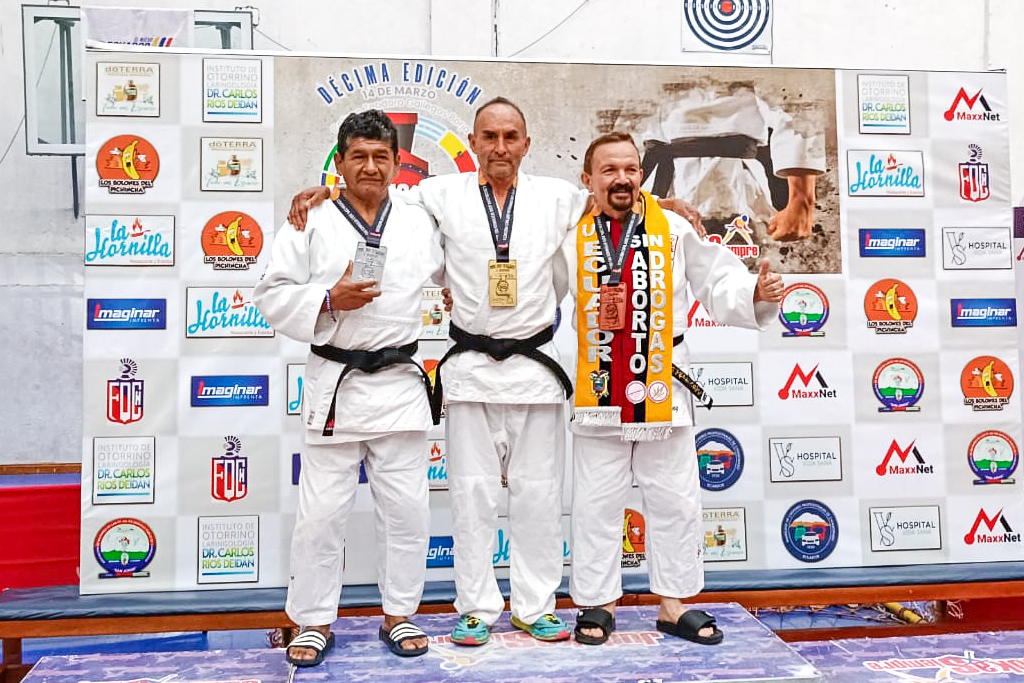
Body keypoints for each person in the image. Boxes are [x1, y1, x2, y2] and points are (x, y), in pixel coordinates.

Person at [288, 98, 583, 645]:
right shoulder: (437, 195)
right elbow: (367, 196)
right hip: (457, 371)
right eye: (489, 136)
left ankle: (529, 605)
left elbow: (615, 201)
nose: (499, 147)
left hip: (530, 371)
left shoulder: (558, 196)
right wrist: (323, 195)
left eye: (510, 136)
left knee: (534, 497)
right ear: (472, 143)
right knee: (465, 497)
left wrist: (665, 205)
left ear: (527, 143)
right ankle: (469, 607)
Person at [558, 132, 783, 646]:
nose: (621, 179)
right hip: (599, 385)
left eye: (630, 169)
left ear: (642, 174)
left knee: (676, 500)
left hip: (662, 381)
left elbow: (716, 280)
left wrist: (752, 290)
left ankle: (673, 605)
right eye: (608, 170)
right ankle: (597, 604)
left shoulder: (674, 228)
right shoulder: (569, 231)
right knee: (595, 503)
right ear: (587, 179)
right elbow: (536, 288)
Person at [254, 110, 442, 665]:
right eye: (358, 156)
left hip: (400, 382)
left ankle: (400, 614)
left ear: (397, 163)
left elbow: (477, 220)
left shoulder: (420, 217)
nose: (370, 167)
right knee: (321, 515)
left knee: (407, 512)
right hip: (336, 382)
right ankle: (312, 620)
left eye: (381, 156)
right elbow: (270, 293)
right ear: (339, 161)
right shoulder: (309, 220)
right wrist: (327, 298)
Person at [638, 80, 825, 242]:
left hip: (727, 175)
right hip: (653, 180)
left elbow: (794, 100)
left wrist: (802, 200)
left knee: (737, 256)